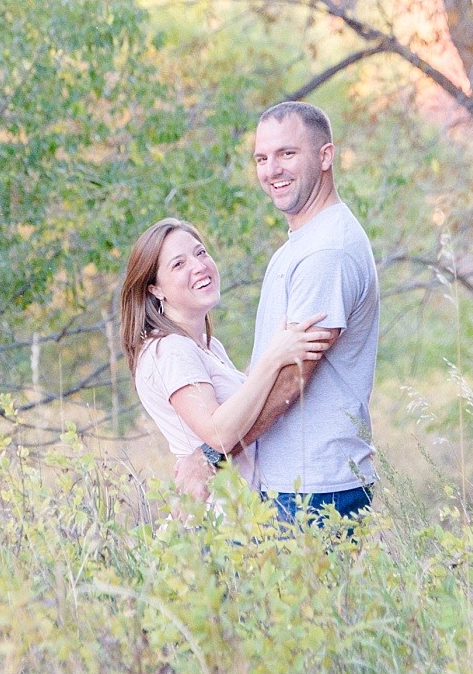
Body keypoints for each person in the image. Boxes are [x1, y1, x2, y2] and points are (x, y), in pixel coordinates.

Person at [119, 214, 335, 502]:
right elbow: (218, 433)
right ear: (155, 288)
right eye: (179, 264)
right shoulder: (170, 351)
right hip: (217, 517)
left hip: (241, 511)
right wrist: (274, 357)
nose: (198, 266)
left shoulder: (207, 346)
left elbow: (243, 401)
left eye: (201, 253)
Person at [246, 100, 382, 529]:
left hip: (313, 491)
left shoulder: (328, 250)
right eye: (262, 158)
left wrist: (221, 449)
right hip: (294, 483)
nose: (272, 170)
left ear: (325, 156)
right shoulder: (304, 241)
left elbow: (293, 375)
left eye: (287, 154)